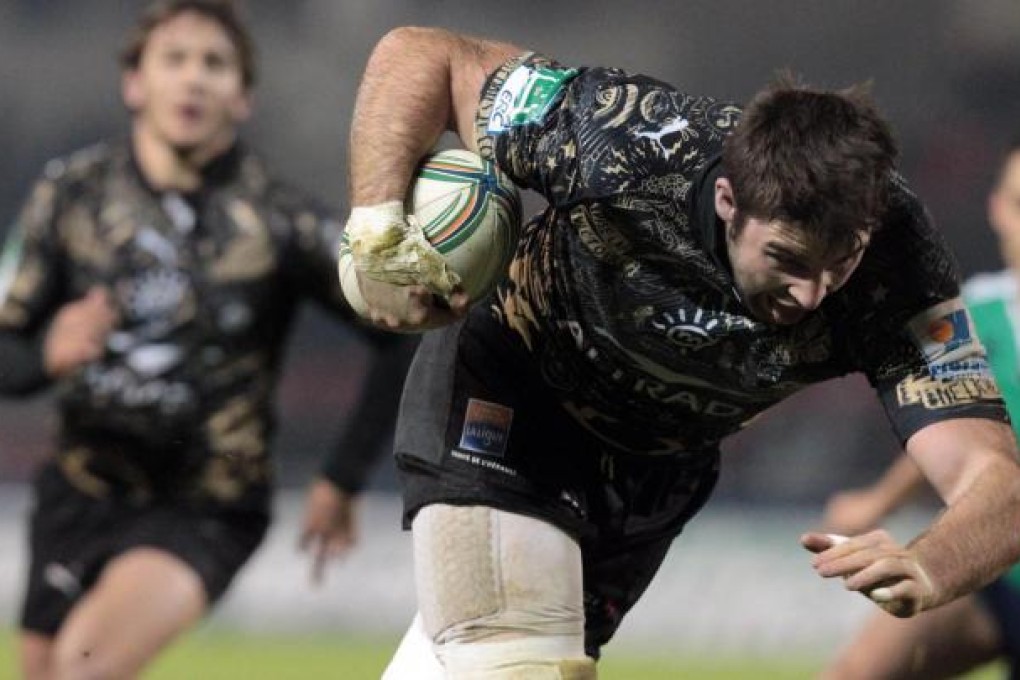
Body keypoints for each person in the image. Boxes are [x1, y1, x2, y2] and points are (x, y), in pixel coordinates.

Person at [341, 26, 1020, 679]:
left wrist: (931, 563)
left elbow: (996, 480)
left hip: (654, 477)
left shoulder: (898, 273)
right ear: (728, 200)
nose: (812, 296)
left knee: (485, 663)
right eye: (786, 259)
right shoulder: (623, 134)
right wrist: (375, 222)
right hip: (512, 397)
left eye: (839, 263)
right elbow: (423, 56)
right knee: (522, 667)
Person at [0, 2, 411, 678]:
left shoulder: (279, 221)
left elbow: (397, 334)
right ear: (134, 83)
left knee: (81, 668)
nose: (194, 79)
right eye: (175, 59)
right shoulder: (68, 197)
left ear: (243, 98)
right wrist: (46, 352)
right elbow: (6, 351)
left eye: (215, 64)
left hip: (205, 505)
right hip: (78, 491)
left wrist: (342, 476)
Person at [820, 138, 1020, 679]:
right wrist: (878, 503)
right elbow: (956, 430)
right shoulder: (968, 314)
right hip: (990, 566)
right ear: (997, 210)